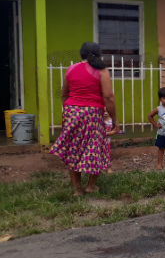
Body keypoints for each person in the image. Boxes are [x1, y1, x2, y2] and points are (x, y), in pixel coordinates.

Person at [50, 42, 119, 196]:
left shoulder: (71, 69)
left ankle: (77, 189)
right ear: (98, 54)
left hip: (71, 111)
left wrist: (69, 111)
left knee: (73, 148)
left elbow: (64, 93)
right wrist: (115, 121)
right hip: (92, 113)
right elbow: (108, 97)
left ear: (81, 54)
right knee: (95, 147)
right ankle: (91, 186)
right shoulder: (101, 70)